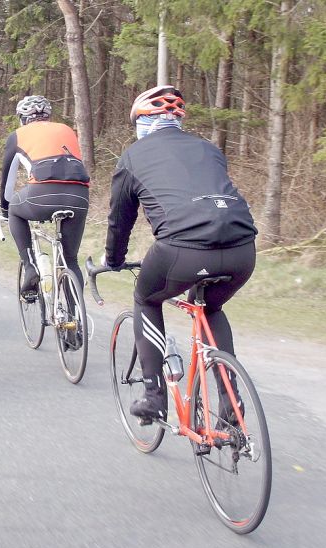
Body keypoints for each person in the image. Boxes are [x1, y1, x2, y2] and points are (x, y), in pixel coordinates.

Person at [103, 85, 258, 422]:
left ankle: (154, 397)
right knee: (211, 306)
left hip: (182, 250)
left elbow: (120, 220)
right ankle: (232, 406)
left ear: (144, 122)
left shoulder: (132, 157)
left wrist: (114, 260)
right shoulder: (209, 149)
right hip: (242, 250)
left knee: (146, 298)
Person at [0, 95, 90, 296]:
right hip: (79, 196)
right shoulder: (67, 130)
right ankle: (74, 320)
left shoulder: (18, 134)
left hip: (42, 194)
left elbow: (8, 181)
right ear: (48, 116)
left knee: (15, 208)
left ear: (22, 118)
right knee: (71, 259)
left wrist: (4, 209)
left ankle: (30, 267)